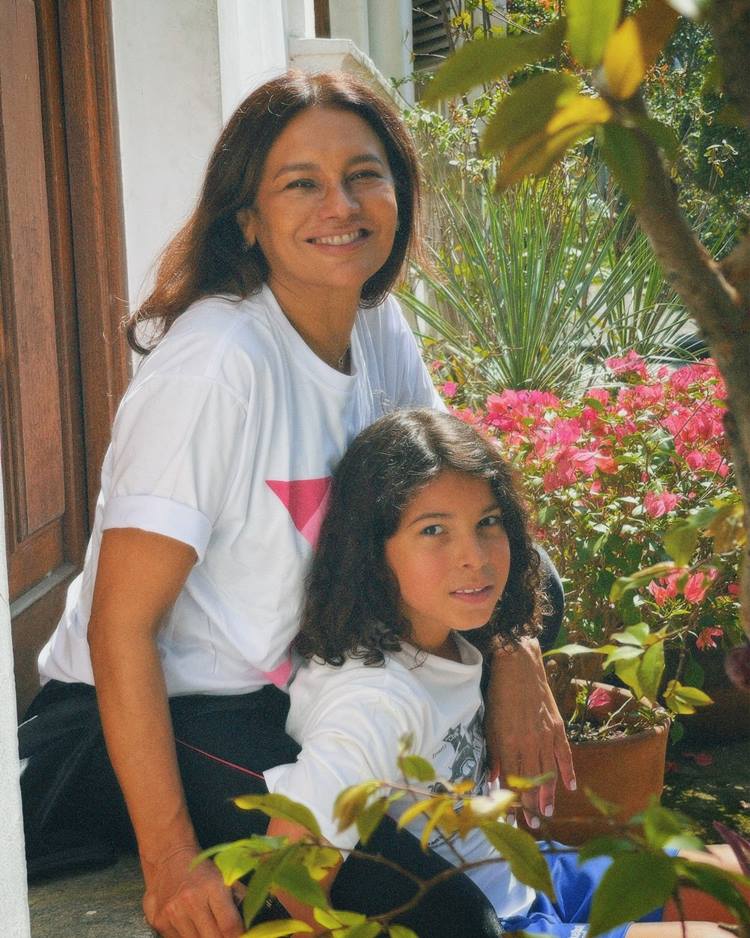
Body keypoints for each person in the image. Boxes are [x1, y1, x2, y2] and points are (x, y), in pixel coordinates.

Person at [19, 71, 572, 938]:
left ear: (398, 191)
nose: (340, 205)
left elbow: (465, 499)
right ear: (248, 218)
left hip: (329, 662)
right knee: (453, 921)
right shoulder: (217, 369)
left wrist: (514, 648)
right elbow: (120, 628)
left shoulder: (377, 323)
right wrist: (171, 865)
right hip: (193, 702)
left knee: (531, 581)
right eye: (300, 183)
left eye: (364, 174)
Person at [265, 408, 749, 938]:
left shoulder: (449, 637)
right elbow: (287, 879)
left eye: (488, 523)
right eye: (433, 531)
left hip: (534, 875)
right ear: (374, 553)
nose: (475, 557)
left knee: (738, 878)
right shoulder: (374, 700)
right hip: (500, 923)